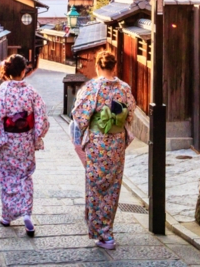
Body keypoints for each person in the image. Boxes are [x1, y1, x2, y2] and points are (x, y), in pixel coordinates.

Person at [71, 50, 136, 250]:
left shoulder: (92, 88)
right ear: (114, 67)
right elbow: (130, 113)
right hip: (116, 143)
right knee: (113, 186)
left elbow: (79, 116)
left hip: (98, 143)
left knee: (96, 184)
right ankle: (107, 230)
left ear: (98, 67)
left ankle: (102, 232)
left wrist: (86, 129)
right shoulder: (124, 88)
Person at [0, 54, 49, 237]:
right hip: (25, 140)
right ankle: (26, 213)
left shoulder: (2, 91)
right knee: (25, 176)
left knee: (6, 176)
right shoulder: (31, 92)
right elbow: (41, 116)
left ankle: (7, 216)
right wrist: (37, 135)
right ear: (23, 71)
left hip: (7, 141)